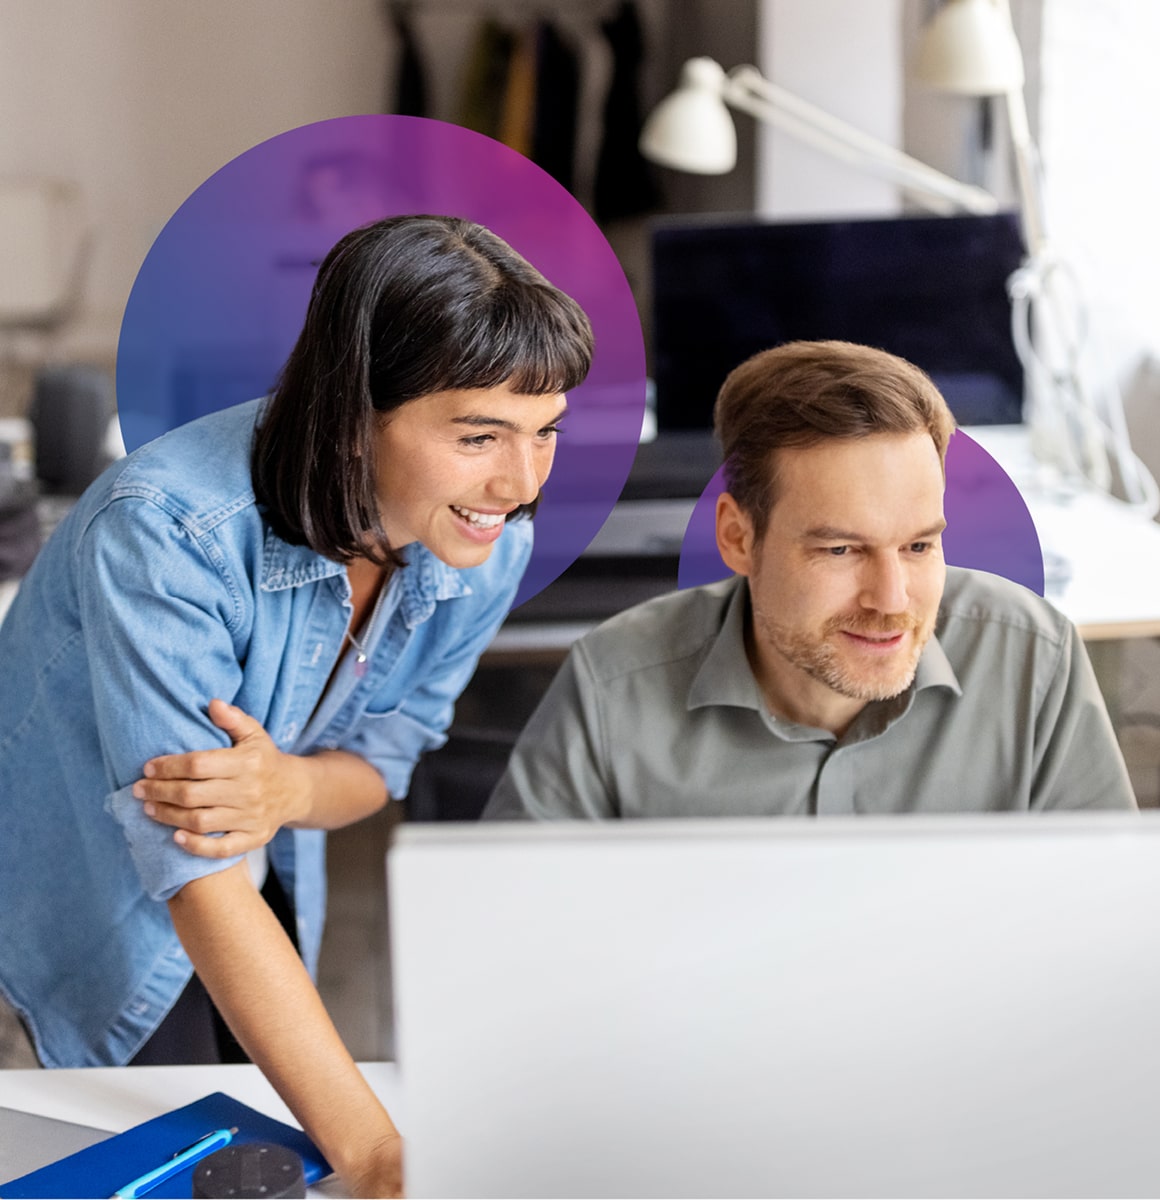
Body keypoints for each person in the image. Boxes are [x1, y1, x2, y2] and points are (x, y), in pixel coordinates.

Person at [0, 214, 593, 1196]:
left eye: (544, 434)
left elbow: (383, 763)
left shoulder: (483, 540)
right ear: (356, 411)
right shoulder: (165, 532)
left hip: (248, 884)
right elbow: (195, 861)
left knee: (249, 1144)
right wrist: (371, 1150)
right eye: (478, 435)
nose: (520, 482)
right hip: (67, 903)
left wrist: (284, 789)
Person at [484, 340, 1137, 821]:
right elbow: (512, 937)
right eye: (842, 549)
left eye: (918, 545)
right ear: (738, 538)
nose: (891, 600)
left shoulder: (1034, 657)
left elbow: (1103, 923)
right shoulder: (614, 683)